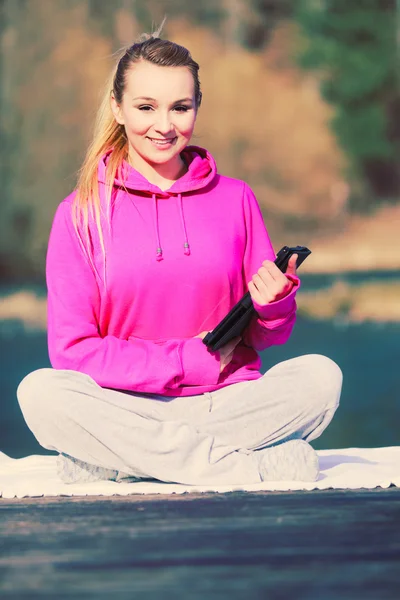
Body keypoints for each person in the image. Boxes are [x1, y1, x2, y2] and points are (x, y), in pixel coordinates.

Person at [16, 28, 342, 487]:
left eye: (180, 107)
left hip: (225, 399)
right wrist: (186, 360)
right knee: (41, 392)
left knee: (321, 378)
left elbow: (268, 337)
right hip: (124, 402)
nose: (164, 125)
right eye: (146, 107)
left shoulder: (236, 199)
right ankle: (241, 467)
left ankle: (122, 462)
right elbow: (72, 353)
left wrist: (273, 307)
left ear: (197, 109)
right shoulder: (80, 213)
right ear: (117, 107)